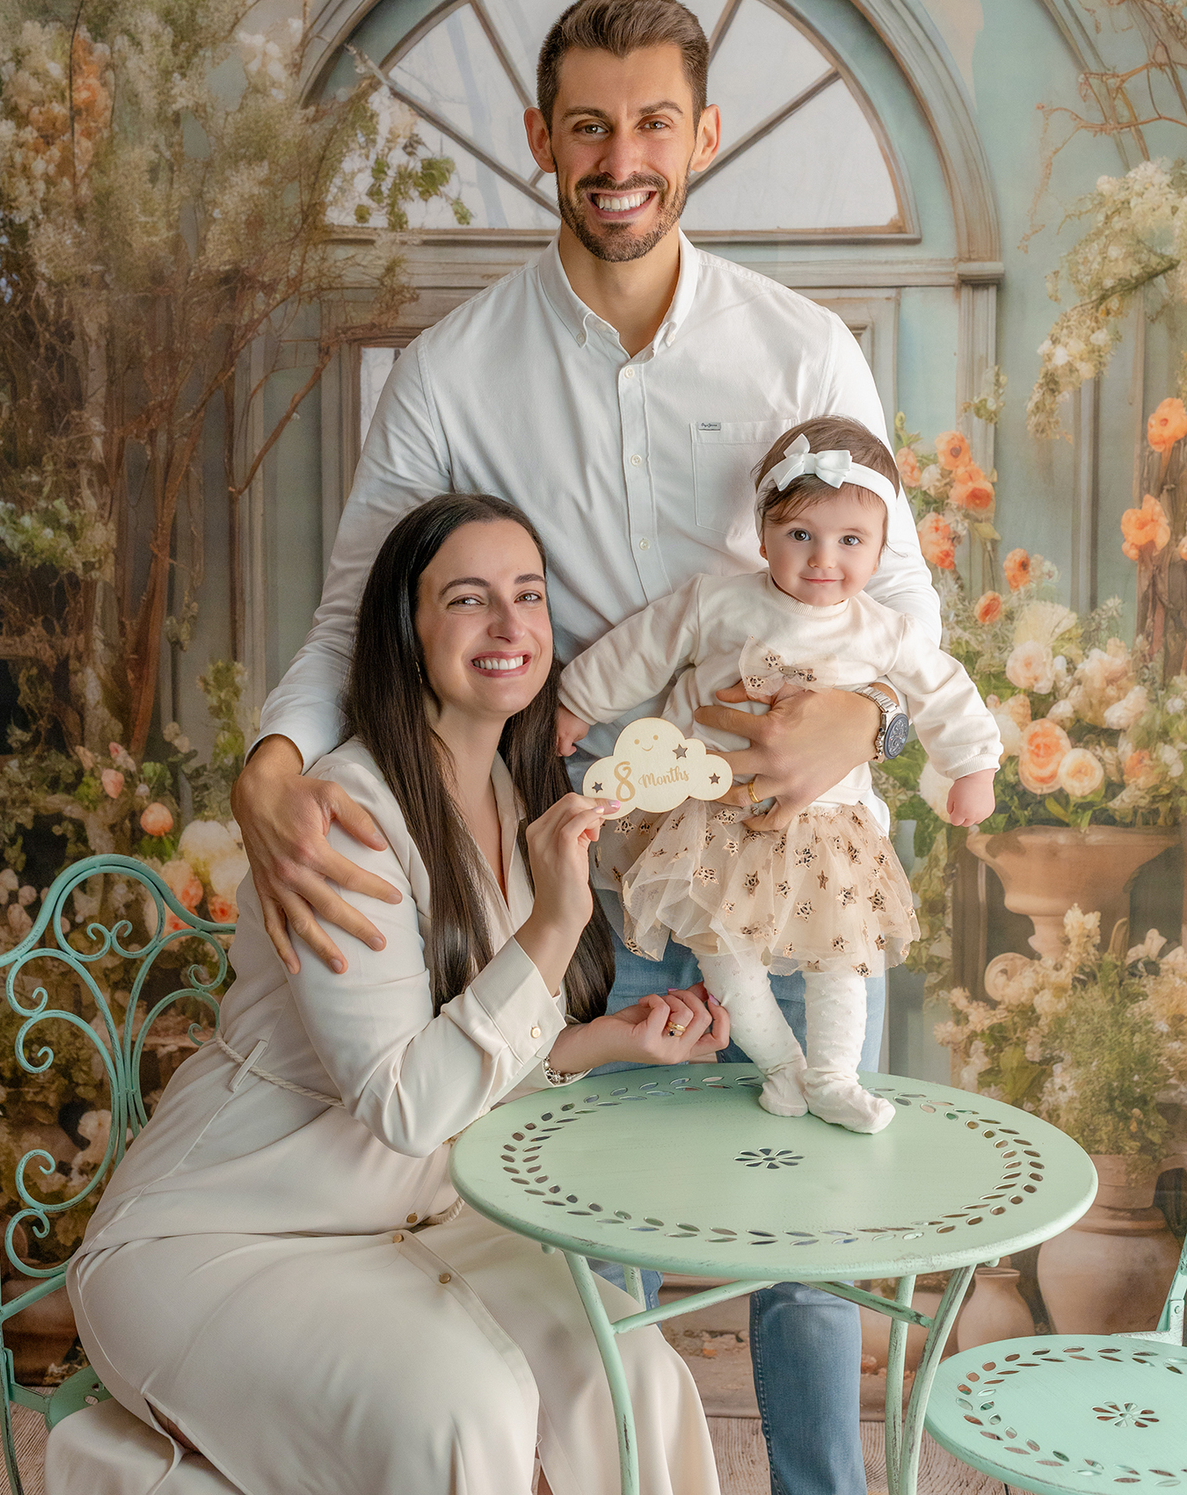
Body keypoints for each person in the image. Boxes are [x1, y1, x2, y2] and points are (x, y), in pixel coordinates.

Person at [231, 0, 944, 1495]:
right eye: (591, 123)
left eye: (655, 122)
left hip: (789, 862)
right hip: (579, 878)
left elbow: (901, 610)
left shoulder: (804, 347)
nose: (623, 155)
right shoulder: (454, 368)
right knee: (584, 1235)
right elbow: (350, 614)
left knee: (812, 1231)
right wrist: (267, 766)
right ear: (542, 134)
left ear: (705, 135)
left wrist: (865, 715)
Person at [52, 496, 725, 1495]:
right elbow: (407, 1103)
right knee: (464, 1412)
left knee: (632, 1376)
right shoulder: (344, 817)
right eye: (468, 599)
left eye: (528, 595)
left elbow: (462, 1049)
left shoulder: (509, 790)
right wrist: (551, 923)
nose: (509, 625)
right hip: (228, 1234)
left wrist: (594, 1046)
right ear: (405, 634)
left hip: (418, 1222)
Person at [557, 415, 1000, 1134]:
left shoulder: (881, 630)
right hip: (713, 822)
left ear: (881, 549)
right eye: (801, 536)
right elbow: (640, 650)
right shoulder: (719, 602)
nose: (824, 559)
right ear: (762, 535)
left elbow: (944, 691)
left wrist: (971, 767)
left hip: (828, 833)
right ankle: (781, 1070)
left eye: (850, 541)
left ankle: (832, 1075)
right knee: (725, 954)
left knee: (845, 957)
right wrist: (576, 702)